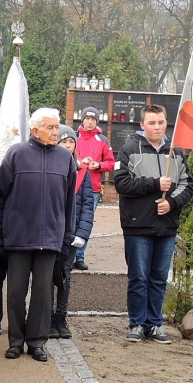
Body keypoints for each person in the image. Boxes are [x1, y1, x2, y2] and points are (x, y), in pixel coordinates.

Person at [0, 108, 76, 362]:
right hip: (18, 236)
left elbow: (69, 203)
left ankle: (36, 341)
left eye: (57, 127)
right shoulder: (16, 154)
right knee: (15, 292)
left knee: (42, 293)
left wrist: (66, 237)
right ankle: (15, 340)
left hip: (50, 237)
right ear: (34, 130)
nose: (55, 132)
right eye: (50, 127)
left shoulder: (65, 158)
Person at [113, 104, 193, 344]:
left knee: (159, 277)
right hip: (138, 225)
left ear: (166, 123)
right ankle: (137, 323)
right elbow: (122, 184)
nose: (157, 127)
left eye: (160, 122)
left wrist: (172, 204)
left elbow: (187, 185)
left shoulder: (176, 153)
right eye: (152, 123)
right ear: (142, 125)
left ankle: (154, 324)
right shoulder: (128, 150)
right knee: (138, 277)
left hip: (166, 226)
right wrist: (155, 184)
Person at [50, 125, 94, 339]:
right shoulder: (50, 166)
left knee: (65, 277)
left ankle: (61, 316)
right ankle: (47, 317)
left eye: (71, 142)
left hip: (72, 234)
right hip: (51, 233)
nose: (67, 145)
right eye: (63, 141)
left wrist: (82, 234)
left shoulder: (82, 171)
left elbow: (87, 205)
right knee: (47, 276)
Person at [72, 106, 115, 271]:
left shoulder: (103, 140)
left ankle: (80, 257)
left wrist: (98, 165)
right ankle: (67, 253)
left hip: (93, 189)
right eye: (87, 119)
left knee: (85, 221)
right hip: (73, 186)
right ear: (82, 120)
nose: (90, 122)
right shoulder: (73, 137)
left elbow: (111, 163)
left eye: (93, 119)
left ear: (97, 121)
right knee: (70, 220)